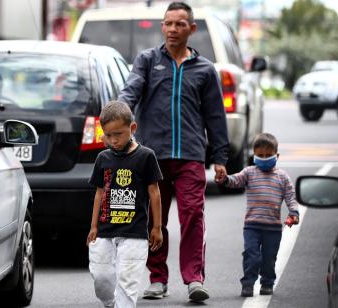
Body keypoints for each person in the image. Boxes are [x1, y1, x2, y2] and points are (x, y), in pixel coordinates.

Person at [118, 1, 229, 302]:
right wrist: (118, 115)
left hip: (191, 154)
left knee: (193, 214)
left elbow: (216, 116)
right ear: (162, 26)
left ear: (192, 29)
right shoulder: (147, 60)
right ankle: (158, 278)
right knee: (156, 218)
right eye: (168, 23)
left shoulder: (205, 70)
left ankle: (194, 278)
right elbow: (131, 90)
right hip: (153, 156)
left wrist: (219, 157)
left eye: (180, 24)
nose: (173, 29)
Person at [87, 101, 163, 308]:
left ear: (133, 128)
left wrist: (156, 227)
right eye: (108, 135)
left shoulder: (146, 156)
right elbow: (99, 193)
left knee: (127, 284)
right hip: (104, 231)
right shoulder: (103, 158)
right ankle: (111, 303)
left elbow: (154, 192)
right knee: (101, 278)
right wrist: (93, 226)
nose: (114, 140)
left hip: (135, 233)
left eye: (118, 134)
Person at [218, 133, 299, 297]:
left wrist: (294, 213)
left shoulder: (282, 177)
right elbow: (236, 180)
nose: (264, 158)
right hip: (252, 226)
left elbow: (291, 197)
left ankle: (267, 283)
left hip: (273, 228)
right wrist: (225, 179)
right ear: (253, 155)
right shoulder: (249, 172)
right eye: (260, 155)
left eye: (268, 155)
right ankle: (248, 284)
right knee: (251, 256)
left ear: (277, 156)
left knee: (269, 258)